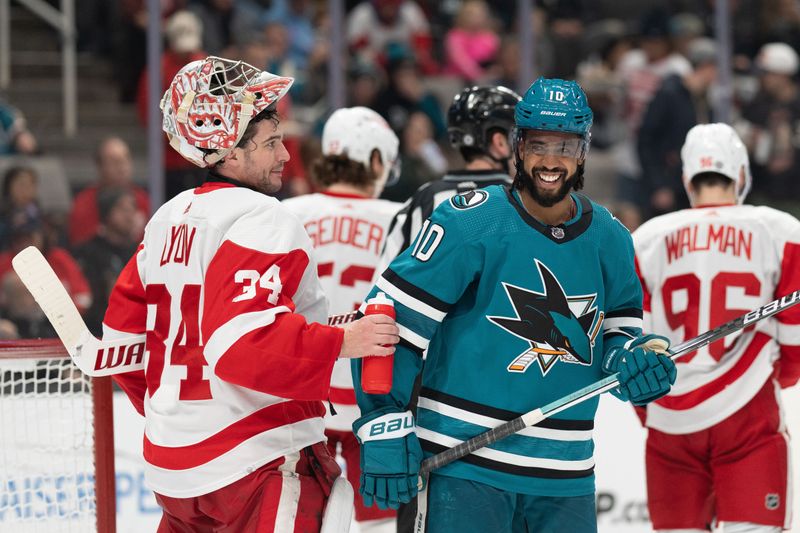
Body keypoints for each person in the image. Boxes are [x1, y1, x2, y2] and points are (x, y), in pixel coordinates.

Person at [351, 77, 677, 532]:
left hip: (565, 475)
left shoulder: (611, 239)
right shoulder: (470, 221)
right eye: (538, 144)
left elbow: (616, 338)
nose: (550, 160)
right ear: (518, 147)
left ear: (583, 151)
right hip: (465, 466)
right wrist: (382, 418)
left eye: (564, 146)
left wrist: (633, 362)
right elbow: (387, 325)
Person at [102, 56, 399, 532]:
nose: (286, 155)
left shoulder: (165, 219)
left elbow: (119, 340)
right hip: (256, 464)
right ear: (230, 153)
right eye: (272, 143)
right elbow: (241, 343)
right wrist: (345, 343)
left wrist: (174, 413)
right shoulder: (262, 218)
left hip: (174, 473)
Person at [633, 123, 800, 533]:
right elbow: (795, 333)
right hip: (748, 413)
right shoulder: (779, 230)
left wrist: (649, 408)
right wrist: (778, 377)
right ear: (741, 175)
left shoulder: (645, 238)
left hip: (669, 422)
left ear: (688, 179)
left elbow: (631, 340)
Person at [377, 83, 521, 533]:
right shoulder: (534, 204)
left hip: (432, 396)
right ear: (498, 141)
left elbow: (384, 306)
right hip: (520, 386)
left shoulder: (422, 201)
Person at [283, 106, 402, 533]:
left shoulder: (286, 213)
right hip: (377, 397)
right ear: (375, 159)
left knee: (301, 519)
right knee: (383, 522)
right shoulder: (401, 216)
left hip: (303, 398)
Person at [637, 37, 719, 218]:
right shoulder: (669, 94)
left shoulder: (705, 98)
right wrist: (659, 184)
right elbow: (646, 140)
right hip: (669, 184)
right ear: (707, 66)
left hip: (692, 183)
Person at [74, 188, 141, 336]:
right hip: (94, 332)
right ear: (107, 213)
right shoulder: (87, 253)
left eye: (132, 208)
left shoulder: (142, 251)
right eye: (122, 209)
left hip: (133, 332)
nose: (130, 215)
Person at [67, 137, 149, 246]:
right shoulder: (83, 203)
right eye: (115, 162)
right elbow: (80, 243)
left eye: (126, 159)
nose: (122, 167)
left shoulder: (143, 200)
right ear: (100, 167)